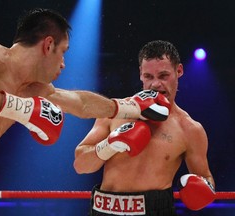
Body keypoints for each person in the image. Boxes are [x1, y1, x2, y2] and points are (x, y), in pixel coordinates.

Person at [0, 8, 172, 215]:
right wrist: (24, 110)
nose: (63, 63)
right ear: (48, 45)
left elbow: (80, 103)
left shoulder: (35, 89)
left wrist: (130, 107)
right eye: (63, 52)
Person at [73, 40, 216, 216]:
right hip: (104, 208)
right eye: (148, 76)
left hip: (155, 210)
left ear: (179, 71)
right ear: (140, 74)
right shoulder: (115, 111)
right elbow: (80, 165)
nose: (155, 84)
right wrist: (110, 145)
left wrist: (203, 189)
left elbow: (205, 177)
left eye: (163, 75)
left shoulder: (189, 129)